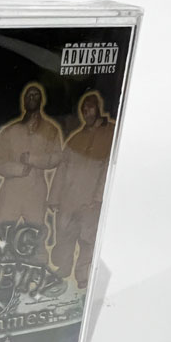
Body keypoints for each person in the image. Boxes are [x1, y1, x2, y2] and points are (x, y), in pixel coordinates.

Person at [48, 92, 115, 288]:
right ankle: (64, 268)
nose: (87, 112)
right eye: (84, 109)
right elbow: (62, 169)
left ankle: (83, 276)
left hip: (91, 199)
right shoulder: (75, 138)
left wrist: (99, 197)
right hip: (69, 199)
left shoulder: (110, 133)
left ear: (99, 108)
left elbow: (109, 166)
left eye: (90, 107)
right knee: (65, 234)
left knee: (88, 239)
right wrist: (54, 198)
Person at [0, 83, 62, 262]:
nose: (32, 98)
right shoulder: (10, 131)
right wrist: (17, 169)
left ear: (41, 100)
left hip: (36, 190)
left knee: (36, 230)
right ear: (23, 101)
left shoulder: (51, 130)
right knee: (1, 230)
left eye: (36, 95)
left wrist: (33, 159)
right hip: (11, 189)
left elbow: (56, 157)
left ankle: (38, 269)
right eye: (29, 95)